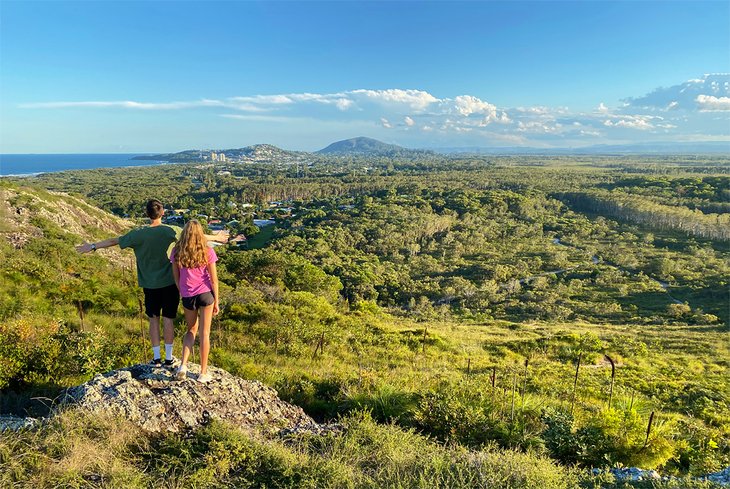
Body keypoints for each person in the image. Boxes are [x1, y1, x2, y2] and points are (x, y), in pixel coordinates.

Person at [76, 200, 227, 366]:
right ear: (162, 213)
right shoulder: (170, 231)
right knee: (168, 318)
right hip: (170, 283)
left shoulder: (137, 234)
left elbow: (114, 241)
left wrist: (92, 246)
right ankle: (169, 358)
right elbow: (193, 236)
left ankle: (156, 358)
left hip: (149, 284)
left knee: (153, 319)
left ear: (147, 214)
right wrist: (217, 237)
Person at [171, 220, 219, 383]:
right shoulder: (207, 251)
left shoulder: (177, 251)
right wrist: (217, 301)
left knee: (191, 330)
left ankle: (183, 366)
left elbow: (176, 278)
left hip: (188, 295)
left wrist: (183, 292)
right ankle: (203, 372)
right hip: (206, 294)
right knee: (204, 333)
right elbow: (214, 280)